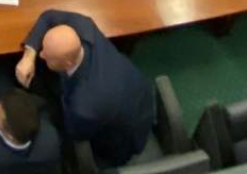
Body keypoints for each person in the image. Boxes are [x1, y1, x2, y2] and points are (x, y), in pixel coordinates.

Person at [14, 11, 154, 168]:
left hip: (122, 141)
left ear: (67, 63)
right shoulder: (85, 28)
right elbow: (49, 16)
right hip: (138, 96)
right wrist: (29, 55)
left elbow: (76, 133)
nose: (41, 55)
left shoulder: (84, 107)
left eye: (47, 55)